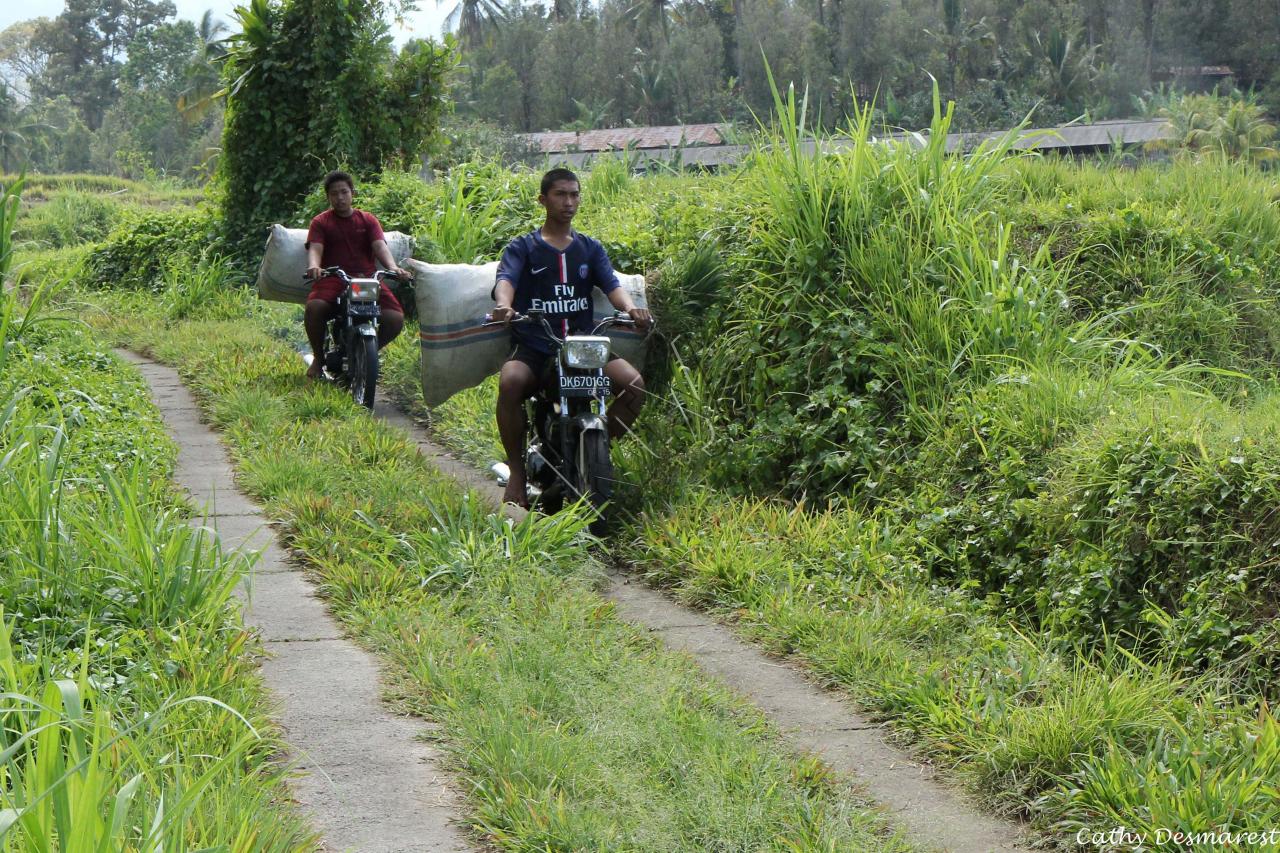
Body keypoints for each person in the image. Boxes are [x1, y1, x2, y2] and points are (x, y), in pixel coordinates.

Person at [491, 167, 652, 507]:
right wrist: (505, 306)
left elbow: (613, 288)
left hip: (583, 346)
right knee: (510, 382)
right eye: (561, 194)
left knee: (634, 385)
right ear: (543, 199)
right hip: (536, 345)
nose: (569, 201)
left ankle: (593, 455)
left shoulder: (590, 249)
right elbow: (505, 281)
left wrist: (631, 309)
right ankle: (517, 474)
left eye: (574, 194)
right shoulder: (523, 247)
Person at [304, 170, 412, 379]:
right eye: (334, 194)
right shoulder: (321, 222)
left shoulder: (368, 220)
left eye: (344, 192)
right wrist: (315, 266)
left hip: (366, 279)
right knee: (314, 308)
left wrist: (394, 267)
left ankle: (365, 355)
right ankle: (318, 358)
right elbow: (315, 248)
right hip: (334, 277)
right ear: (328, 197)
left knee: (395, 318)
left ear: (352, 193)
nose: (340, 197)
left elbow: (380, 246)